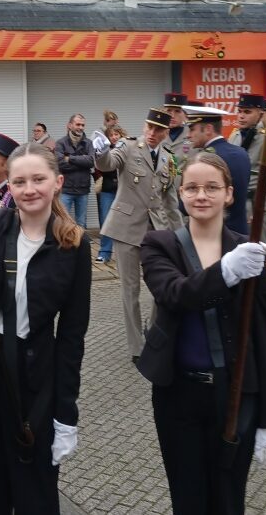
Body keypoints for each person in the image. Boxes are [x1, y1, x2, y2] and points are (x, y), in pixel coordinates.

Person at [0, 142, 91, 514]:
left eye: (38, 179)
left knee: (34, 484)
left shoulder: (73, 244)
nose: (29, 189)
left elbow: (72, 335)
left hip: (35, 373)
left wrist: (66, 414)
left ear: (57, 182)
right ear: (9, 185)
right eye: (20, 181)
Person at [138, 152, 266, 515]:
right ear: (181, 194)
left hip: (234, 392)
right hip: (178, 394)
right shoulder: (160, 245)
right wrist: (226, 272)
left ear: (229, 194)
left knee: (228, 498)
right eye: (192, 188)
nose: (201, 195)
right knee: (187, 498)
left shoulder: (247, 252)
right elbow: (175, 294)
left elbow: (264, 337)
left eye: (212, 187)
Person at [93, 107, 180, 361]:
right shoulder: (128, 147)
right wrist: (100, 152)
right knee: (130, 290)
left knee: (160, 289)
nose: (152, 133)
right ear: (144, 126)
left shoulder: (168, 158)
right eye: (149, 127)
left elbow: (171, 201)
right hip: (126, 228)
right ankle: (137, 347)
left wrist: (181, 237)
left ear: (166, 132)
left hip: (157, 231)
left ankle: (153, 333)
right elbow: (108, 163)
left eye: (159, 129)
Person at [228, 94, 266, 243]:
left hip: (256, 204)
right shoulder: (235, 136)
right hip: (236, 202)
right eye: (240, 111)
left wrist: (262, 209)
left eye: (247, 112)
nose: (241, 116)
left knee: (259, 245)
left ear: (261, 114)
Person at [186, 108, 250, 235]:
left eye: (193, 129)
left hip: (214, 234)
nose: (188, 135)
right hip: (240, 232)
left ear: (209, 129)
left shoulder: (205, 159)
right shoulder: (241, 153)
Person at [55, 114, 94, 229]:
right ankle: (63, 246)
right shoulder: (61, 143)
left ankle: (80, 246)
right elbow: (60, 164)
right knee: (63, 222)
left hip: (83, 190)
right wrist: (82, 163)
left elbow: (91, 161)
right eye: (78, 124)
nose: (81, 127)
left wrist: (70, 158)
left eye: (83, 125)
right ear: (69, 125)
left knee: (81, 224)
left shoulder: (89, 143)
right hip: (66, 189)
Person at [95, 125, 126, 263]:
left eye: (116, 134)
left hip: (124, 191)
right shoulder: (104, 150)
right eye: (111, 135)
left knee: (124, 222)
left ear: (121, 135)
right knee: (106, 221)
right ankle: (104, 252)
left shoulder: (127, 148)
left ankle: (124, 253)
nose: (114, 137)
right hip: (108, 189)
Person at [162, 93, 191, 229]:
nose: (172, 115)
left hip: (185, 200)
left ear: (185, 114)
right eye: (169, 111)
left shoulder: (192, 135)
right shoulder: (156, 134)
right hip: (161, 200)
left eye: (177, 111)